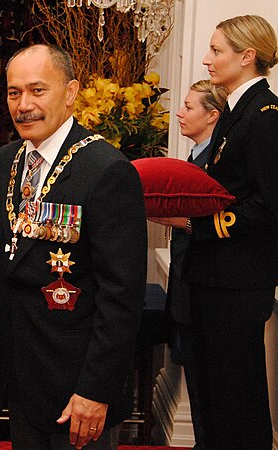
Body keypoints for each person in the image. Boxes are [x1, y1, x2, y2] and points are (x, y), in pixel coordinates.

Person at [0, 44, 148, 449]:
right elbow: (6, 258)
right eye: (14, 92)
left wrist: (95, 390)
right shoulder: (6, 160)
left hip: (79, 389)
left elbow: (122, 297)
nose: (24, 105)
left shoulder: (107, 170)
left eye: (38, 90)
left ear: (71, 92)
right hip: (21, 378)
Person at [150, 15, 278, 450]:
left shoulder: (264, 116)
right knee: (211, 398)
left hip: (237, 283)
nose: (206, 60)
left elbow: (267, 206)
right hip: (215, 278)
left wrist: (195, 222)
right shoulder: (237, 110)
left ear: (247, 57)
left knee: (237, 402)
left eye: (217, 51)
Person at [167, 80, 227, 450]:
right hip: (186, 288)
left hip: (205, 289)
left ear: (212, 115)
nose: (180, 113)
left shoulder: (213, 165)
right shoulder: (194, 159)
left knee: (213, 392)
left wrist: (177, 218)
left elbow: (204, 222)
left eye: (189, 107)